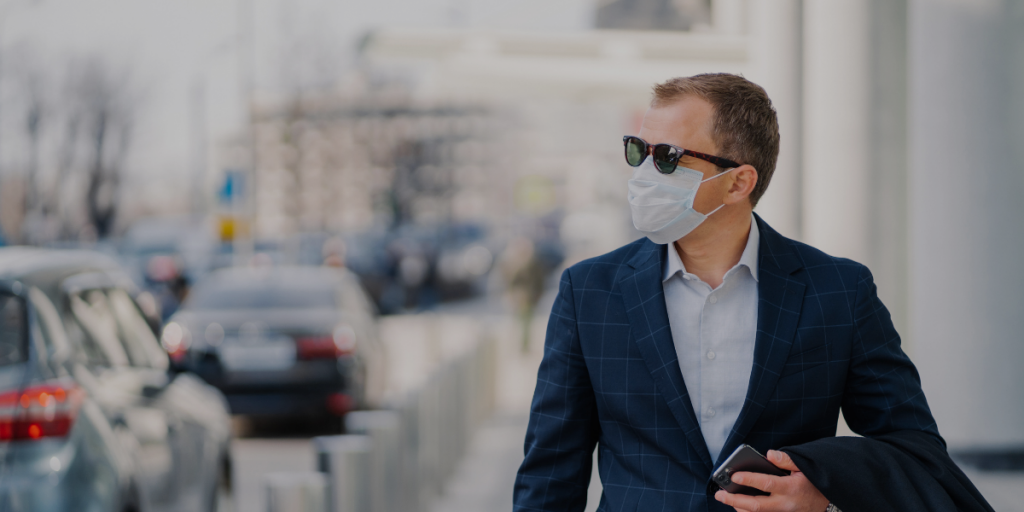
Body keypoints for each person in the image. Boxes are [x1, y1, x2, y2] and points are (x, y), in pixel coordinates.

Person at [513, 74, 990, 512]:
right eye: (638, 150)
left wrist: (824, 488)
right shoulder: (589, 291)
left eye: (667, 157)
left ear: (738, 182)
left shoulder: (840, 291)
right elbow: (551, 474)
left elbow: (915, 450)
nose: (643, 173)